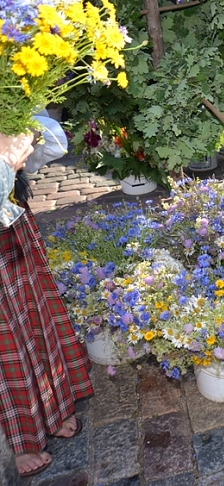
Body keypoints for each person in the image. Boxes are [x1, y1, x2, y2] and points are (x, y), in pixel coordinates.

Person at [0, 119, 93, 478]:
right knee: (6, 338)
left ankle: (49, 412)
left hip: (12, 220)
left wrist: (21, 131)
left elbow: (52, 144)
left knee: (35, 317)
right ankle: (22, 437)